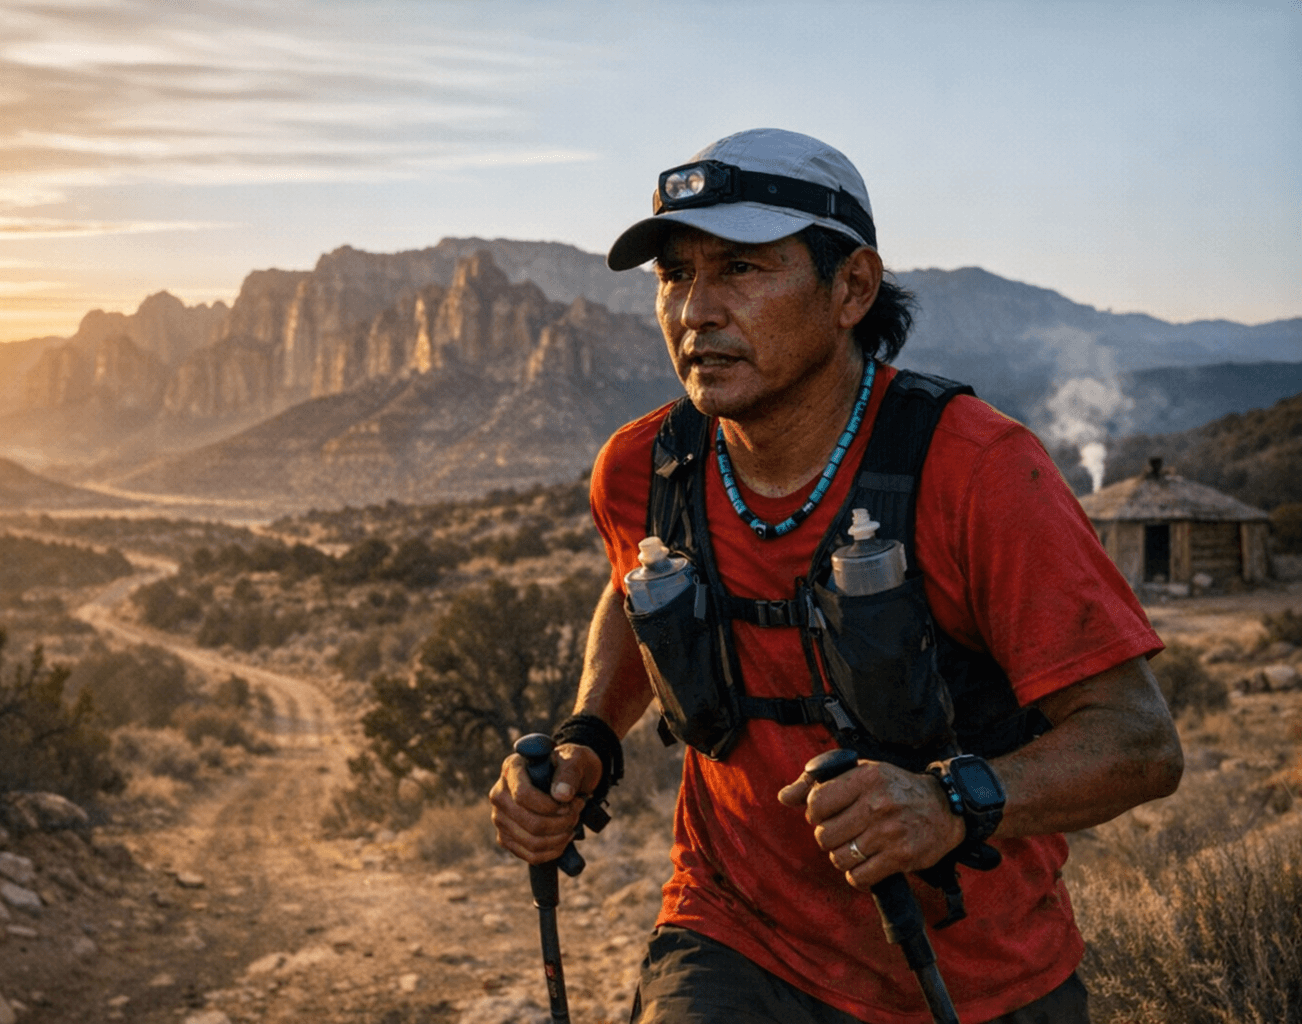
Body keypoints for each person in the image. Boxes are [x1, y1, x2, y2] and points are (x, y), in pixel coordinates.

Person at [489, 128, 1183, 1024]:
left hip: (977, 974)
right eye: (675, 275)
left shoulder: (980, 472)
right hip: (732, 935)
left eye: (741, 268)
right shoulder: (642, 469)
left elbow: (1139, 743)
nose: (696, 309)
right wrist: (589, 732)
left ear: (851, 287)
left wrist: (949, 801)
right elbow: (636, 583)